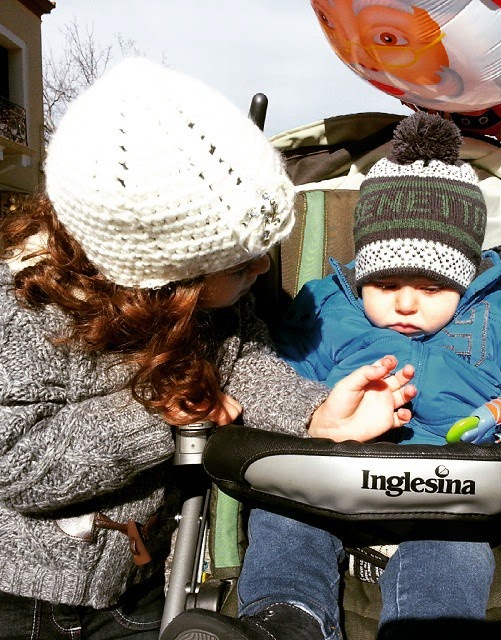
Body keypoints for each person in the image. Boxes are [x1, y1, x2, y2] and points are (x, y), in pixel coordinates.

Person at [0, 57, 418, 640]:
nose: (264, 269)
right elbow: (16, 465)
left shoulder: (210, 306)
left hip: (142, 576)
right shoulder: (27, 314)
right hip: (28, 594)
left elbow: (240, 362)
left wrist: (316, 414)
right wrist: (160, 412)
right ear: (165, 282)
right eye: (243, 265)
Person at [197, 112, 501, 640]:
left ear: (466, 279)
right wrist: (312, 410)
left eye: (432, 288)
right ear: (362, 274)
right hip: (327, 486)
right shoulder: (326, 310)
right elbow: (279, 377)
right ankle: (287, 620)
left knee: (454, 555)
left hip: (454, 500)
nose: (407, 304)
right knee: (282, 522)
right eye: (387, 284)